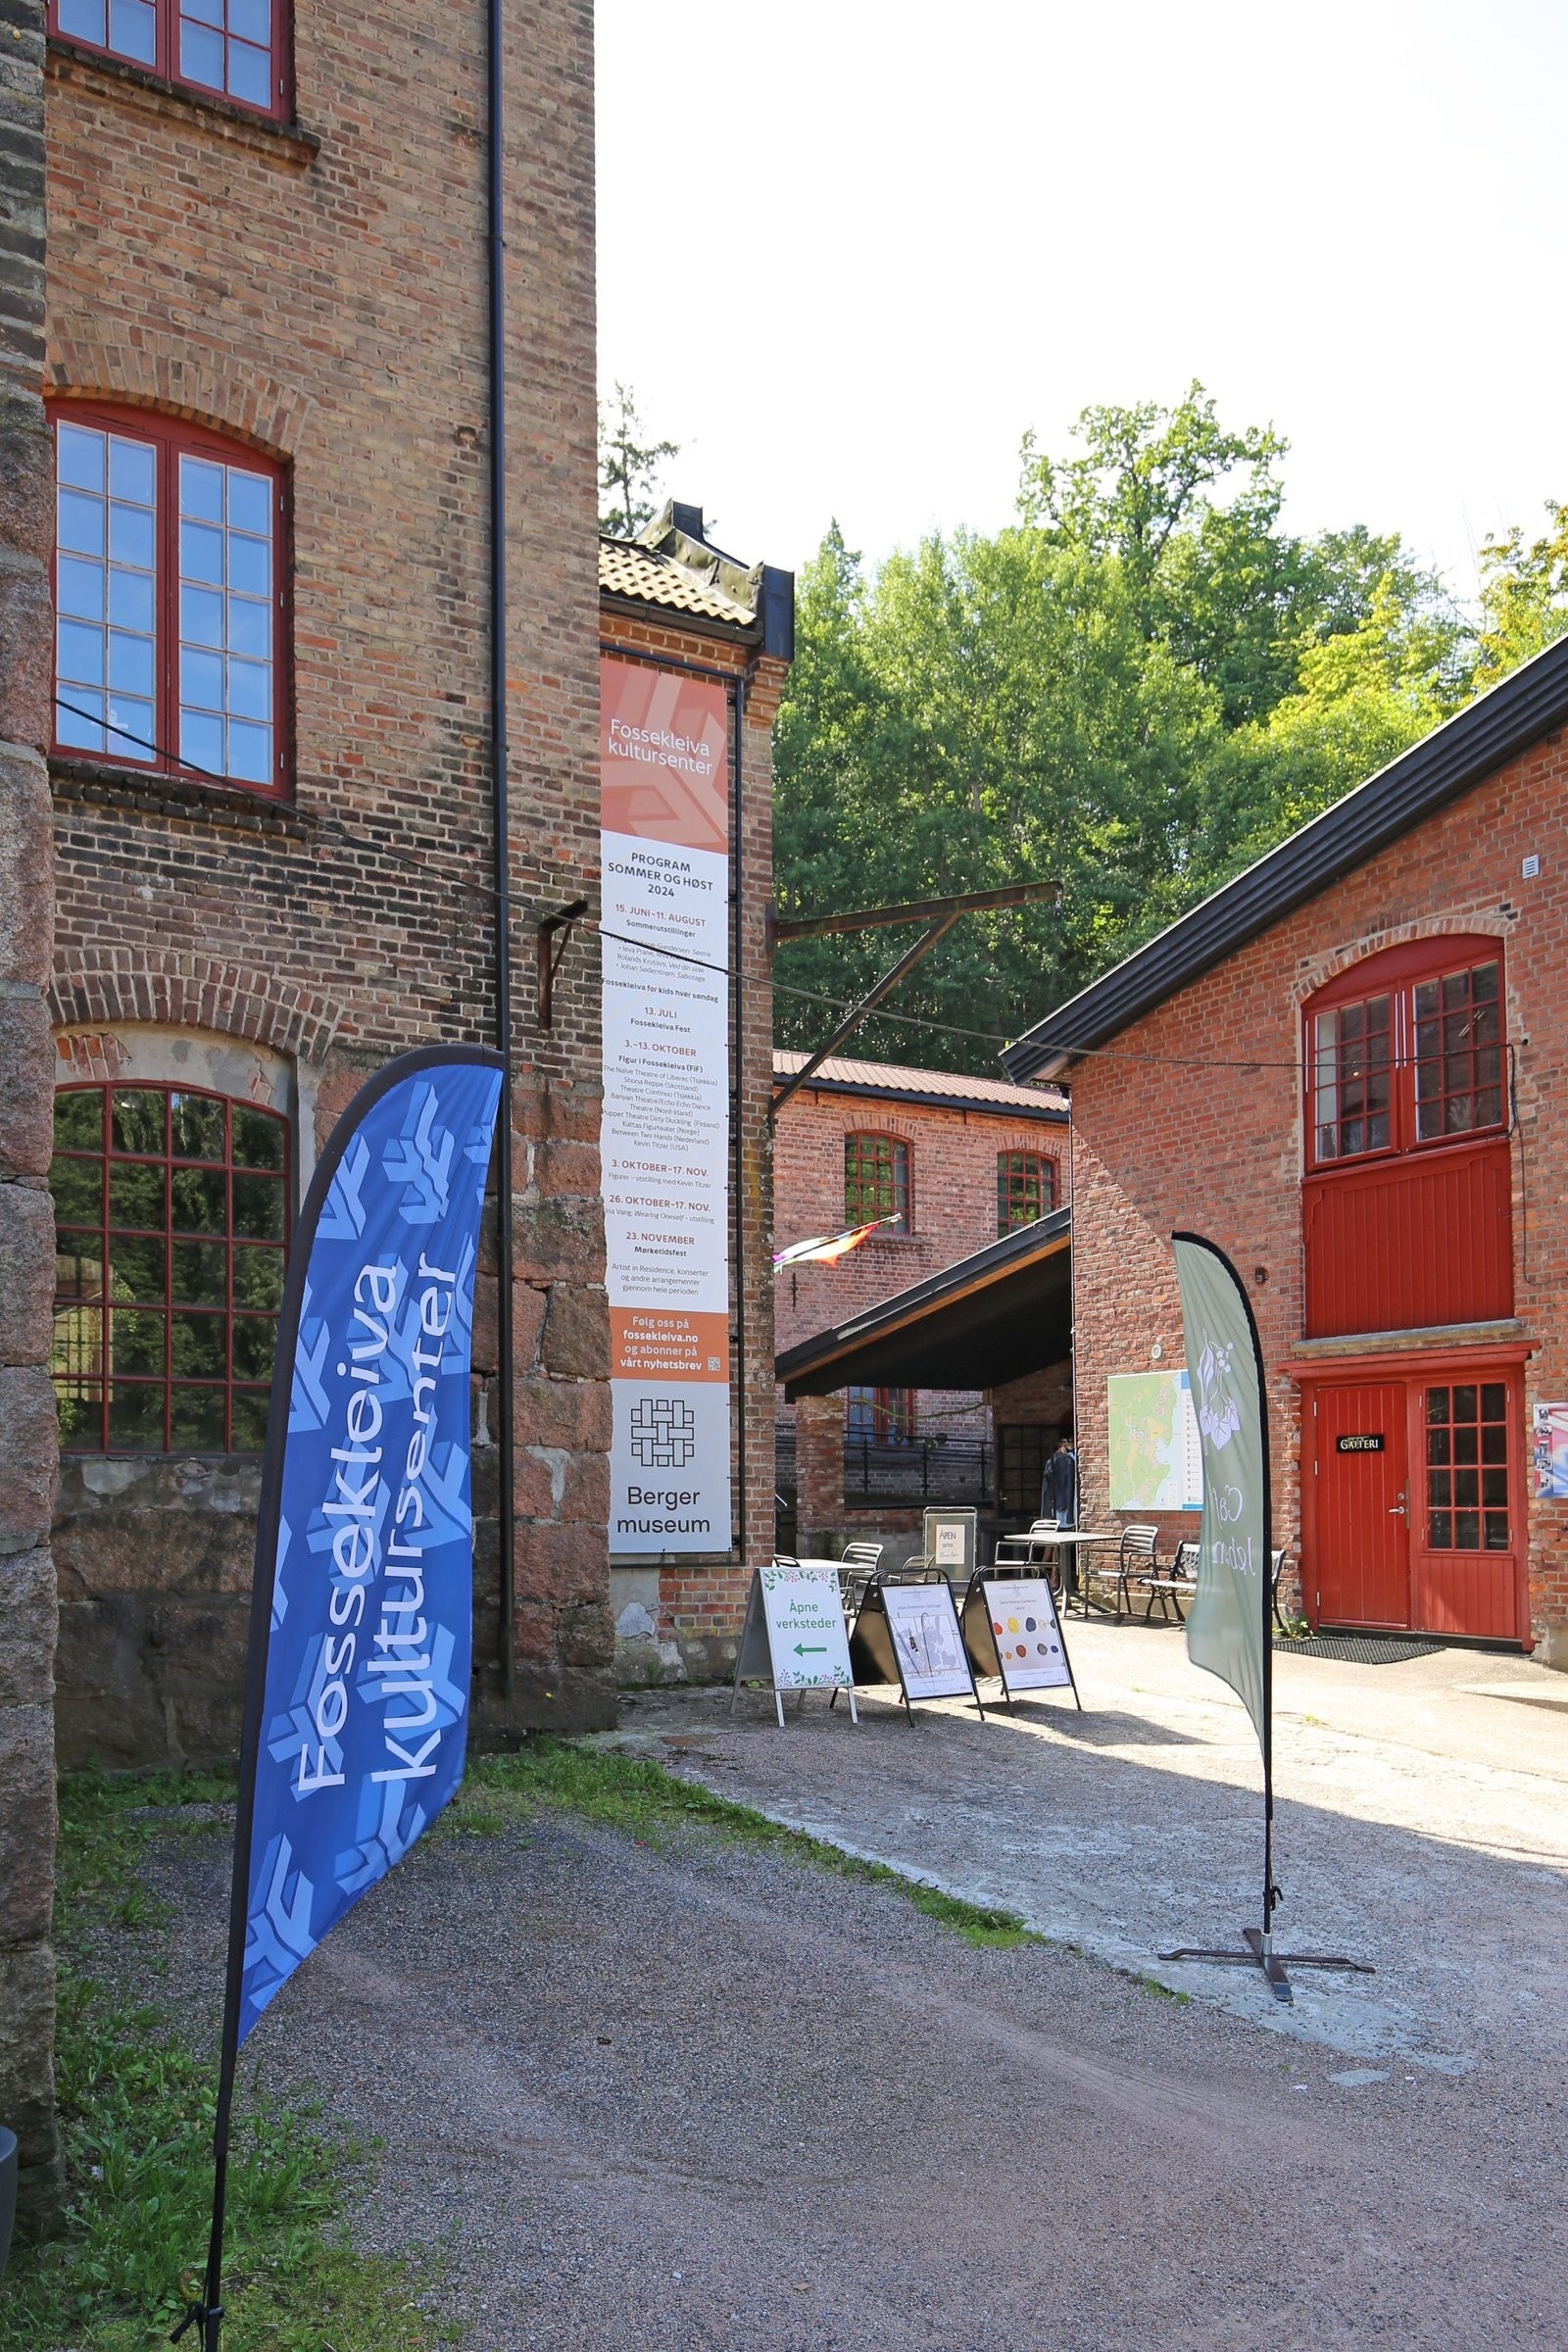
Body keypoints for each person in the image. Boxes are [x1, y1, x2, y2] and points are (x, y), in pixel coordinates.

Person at [1040, 1435, 1078, 1530]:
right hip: (1070, 1504)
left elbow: (1046, 1488)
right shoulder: (1072, 1460)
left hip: (1059, 1504)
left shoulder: (1054, 1461)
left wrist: (1046, 1511)